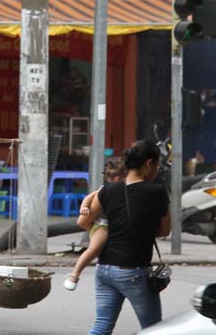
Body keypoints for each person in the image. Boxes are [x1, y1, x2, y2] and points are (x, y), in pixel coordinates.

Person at [79, 140, 171, 335]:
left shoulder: (107, 189)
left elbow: (84, 222)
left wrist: (107, 230)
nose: (157, 169)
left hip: (104, 269)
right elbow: (164, 230)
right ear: (149, 164)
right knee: (153, 329)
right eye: (157, 165)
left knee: (101, 326)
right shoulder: (157, 192)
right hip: (132, 270)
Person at [64, 158, 127, 291]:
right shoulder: (105, 189)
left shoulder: (126, 190)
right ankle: (74, 275)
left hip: (112, 226)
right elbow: (89, 197)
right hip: (102, 225)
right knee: (93, 249)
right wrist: (84, 207)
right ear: (118, 179)